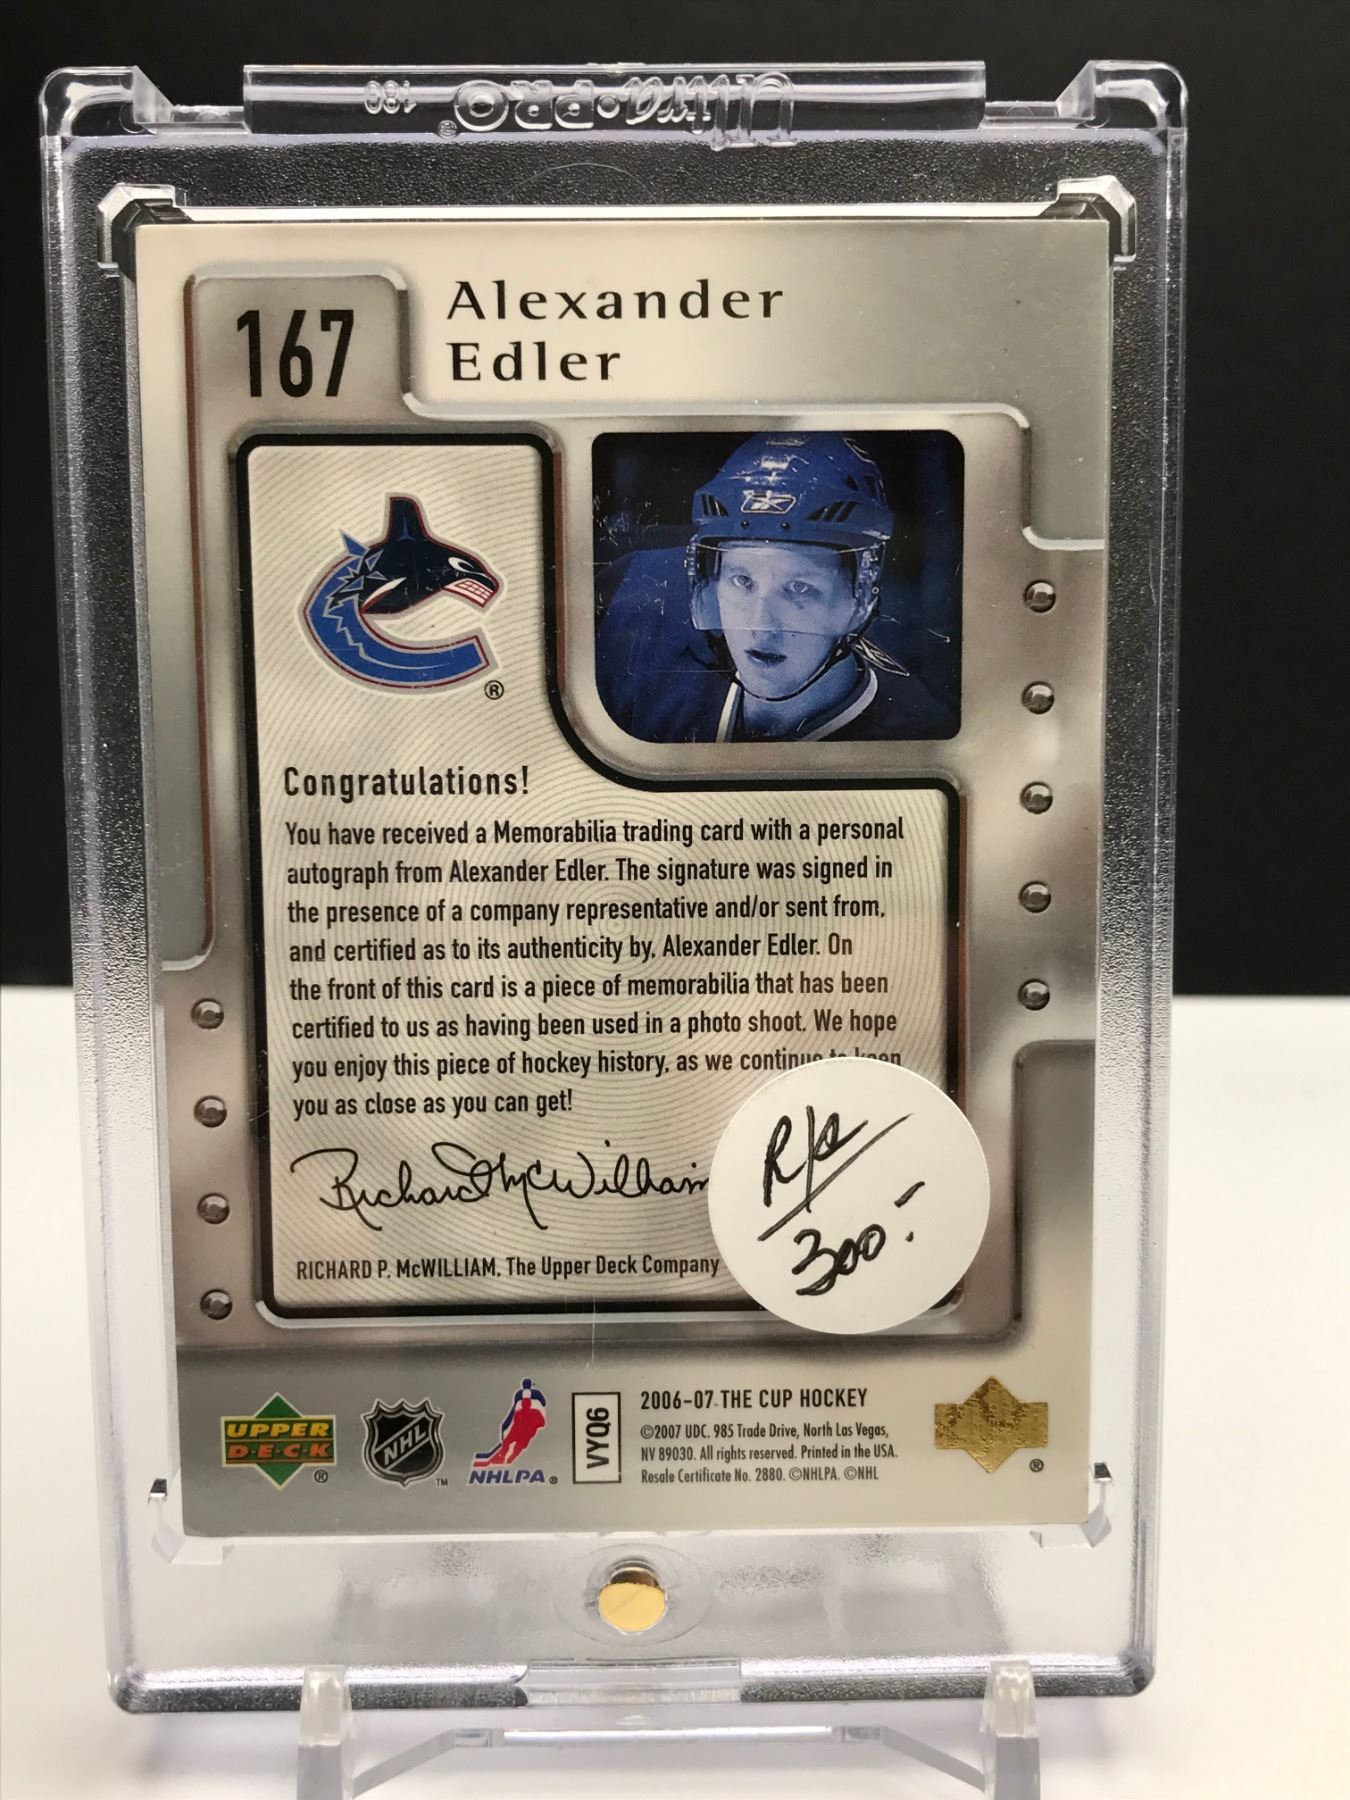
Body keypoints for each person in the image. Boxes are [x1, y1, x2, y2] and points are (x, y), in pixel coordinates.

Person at [596, 433, 955, 743]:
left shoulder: (921, 739)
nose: (761, 626)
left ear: (859, 596)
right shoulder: (632, 617)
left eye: (799, 587)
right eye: (742, 581)